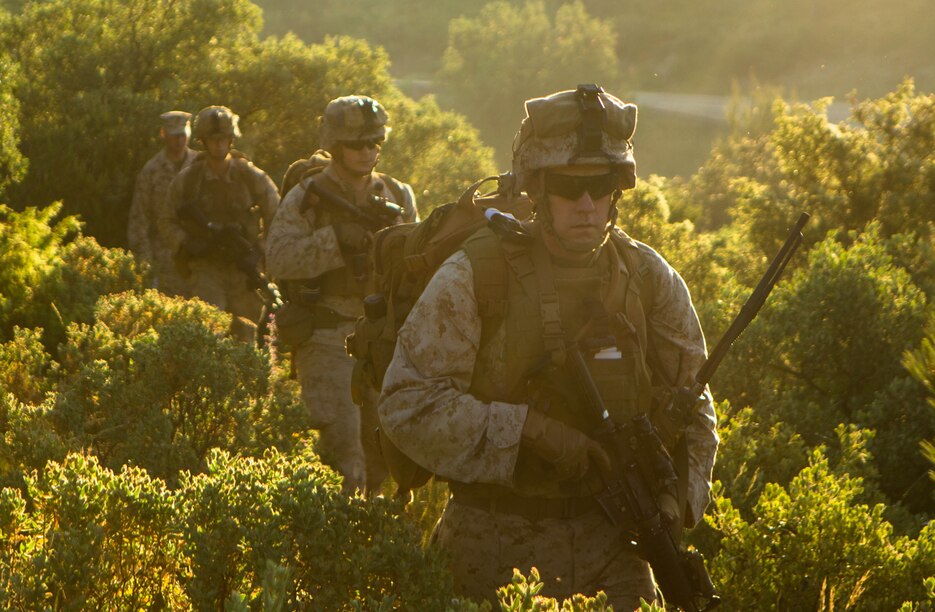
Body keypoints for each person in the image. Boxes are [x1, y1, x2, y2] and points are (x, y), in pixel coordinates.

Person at [378, 84, 719, 608]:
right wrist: (530, 433)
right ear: (536, 189)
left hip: (617, 552)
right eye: (567, 186)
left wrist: (676, 503)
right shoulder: (476, 274)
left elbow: (695, 407)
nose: (586, 205)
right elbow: (407, 405)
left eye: (600, 186)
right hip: (491, 545)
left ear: (617, 190)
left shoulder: (648, 277)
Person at [266, 95, 417, 494]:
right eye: (357, 144)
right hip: (327, 336)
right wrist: (334, 240)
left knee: (385, 455)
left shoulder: (398, 195)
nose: (368, 151)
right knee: (341, 457)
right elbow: (278, 258)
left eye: (375, 142)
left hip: (382, 339)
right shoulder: (307, 196)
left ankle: (374, 530)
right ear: (335, 145)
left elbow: (420, 264)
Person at [159, 105, 280, 341]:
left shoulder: (250, 175)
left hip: (243, 268)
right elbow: (166, 220)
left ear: (231, 140)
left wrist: (261, 249)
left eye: (223, 139)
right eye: (213, 140)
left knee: (248, 336)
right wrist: (188, 243)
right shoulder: (189, 179)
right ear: (203, 141)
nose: (219, 145)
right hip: (206, 268)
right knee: (208, 333)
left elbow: (277, 212)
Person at [129, 110, 197, 295]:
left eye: (183, 135)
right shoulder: (151, 171)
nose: (179, 140)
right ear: (163, 133)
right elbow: (139, 221)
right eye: (174, 136)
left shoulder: (201, 165)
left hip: (200, 260)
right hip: (165, 261)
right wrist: (146, 267)